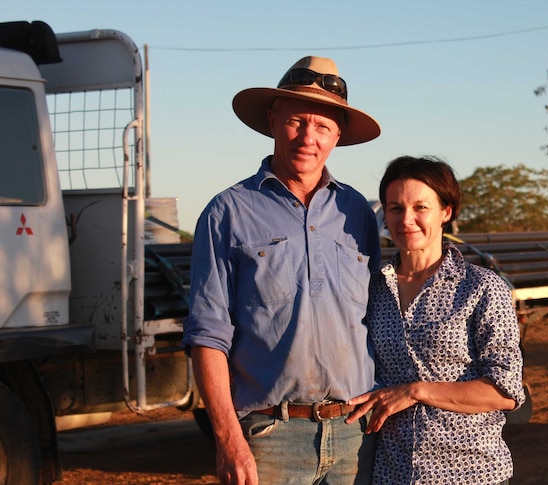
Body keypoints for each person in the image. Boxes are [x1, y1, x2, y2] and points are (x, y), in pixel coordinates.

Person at [182, 56, 382, 485]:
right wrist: (228, 440)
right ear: (273, 120)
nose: (308, 137)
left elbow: (377, 320)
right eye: (296, 121)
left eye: (323, 127)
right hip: (269, 437)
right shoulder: (227, 213)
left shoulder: (358, 213)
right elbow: (207, 335)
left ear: (338, 136)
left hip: (354, 436)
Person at [346, 156, 525, 485]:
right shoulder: (371, 289)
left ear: (447, 211)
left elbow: (505, 391)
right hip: (391, 474)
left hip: (471, 473)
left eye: (421, 207)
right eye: (396, 208)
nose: (407, 220)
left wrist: (416, 391)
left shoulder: (481, 288)